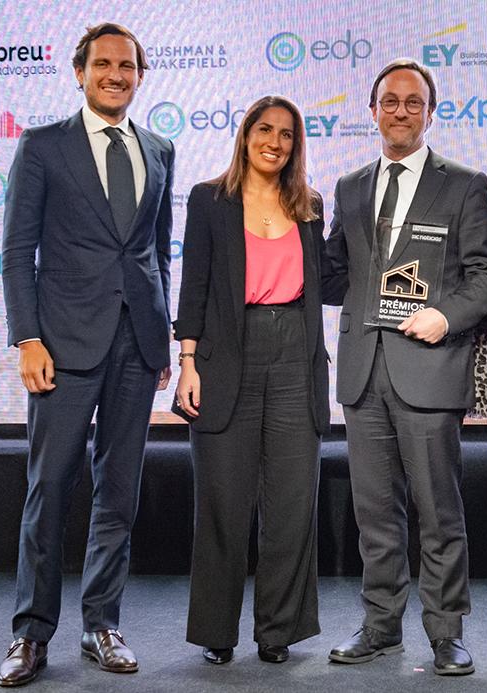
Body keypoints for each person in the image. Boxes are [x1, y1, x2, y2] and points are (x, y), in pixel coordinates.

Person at [0, 22, 175, 687]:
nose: (116, 74)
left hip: (136, 344)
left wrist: (159, 335)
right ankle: (30, 633)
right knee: (49, 489)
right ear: (80, 72)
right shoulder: (44, 147)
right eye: (103, 64)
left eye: (127, 65)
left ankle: (102, 622)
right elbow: (18, 252)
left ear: (139, 74)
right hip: (62, 344)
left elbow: (157, 251)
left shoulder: (159, 149)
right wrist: (27, 338)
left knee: (118, 492)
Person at [324, 58, 487, 677]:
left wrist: (446, 317)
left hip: (429, 365)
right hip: (363, 372)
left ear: (430, 111)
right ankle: (380, 626)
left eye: (413, 102)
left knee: (438, 511)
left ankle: (446, 633)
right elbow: (334, 274)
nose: (400, 111)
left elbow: (485, 278)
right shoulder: (348, 186)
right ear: (373, 111)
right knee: (375, 512)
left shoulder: (464, 183)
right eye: (390, 101)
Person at [172, 95, 330, 667]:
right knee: (223, 501)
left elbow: (325, 281)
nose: (275, 142)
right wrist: (188, 361)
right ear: (245, 136)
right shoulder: (210, 200)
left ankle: (277, 631)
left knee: (291, 503)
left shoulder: (309, 204)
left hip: (295, 359)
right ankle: (217, 629)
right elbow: (194, 286)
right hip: (225, 358)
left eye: (287, 134)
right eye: (265, 130)